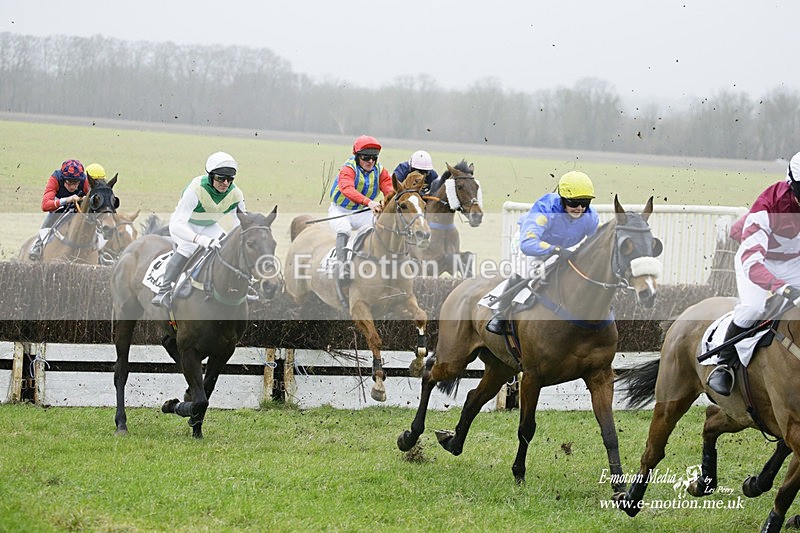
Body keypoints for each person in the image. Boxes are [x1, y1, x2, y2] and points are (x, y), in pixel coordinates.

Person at [707, 152, 800, 396]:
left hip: (794, 262)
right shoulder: (767, 206)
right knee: (753, 309)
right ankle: (723, 364)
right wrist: (784, 288)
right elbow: (753, 261)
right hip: (759, 261)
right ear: (792, 185)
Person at [485, 170, 600, 334]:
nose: (580, 208)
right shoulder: (545, 209)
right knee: (527, 271)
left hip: (560, 248)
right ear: (563, 199)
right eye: (574, 203)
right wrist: (557, 250)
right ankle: (500, 314)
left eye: (585, 202)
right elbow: (528, 243)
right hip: (529, 245)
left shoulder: (591, 217)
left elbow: (595, 245)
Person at [151, 151, 246, 309]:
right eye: (220, 178)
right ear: (210, 176)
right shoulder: (196, 188)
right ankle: (164, 290)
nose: (225, 183)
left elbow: (240, 224)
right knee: (189, 247)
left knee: (225, 246)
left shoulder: (236, 193)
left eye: (230, 179)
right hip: (184, 225)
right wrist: (200, 240)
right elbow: (178, 224)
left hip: (209, 226)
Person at [327, 135, 393, 279]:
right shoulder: (348, 169)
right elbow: (347, 189)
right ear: (356, 156)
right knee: (344, 228)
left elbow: (390, 190)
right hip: (340, 211)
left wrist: (389, 202)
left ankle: (380, 261)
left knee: (381, 224)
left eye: (374, 158)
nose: (370, 161)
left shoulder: (380, 171)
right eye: (366, 157)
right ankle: (342, 266)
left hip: (361, 212)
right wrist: (369, 202)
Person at [28, 159, 90, 260]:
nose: (73, 186)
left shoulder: (84, 180)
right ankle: (38, 243)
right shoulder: (55, 178)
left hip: (78, 207)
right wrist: (66, 200)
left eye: (76, 183)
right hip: (59, 207)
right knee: (52, 216)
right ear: (63, 179)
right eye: (70, 182)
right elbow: (45, 205)